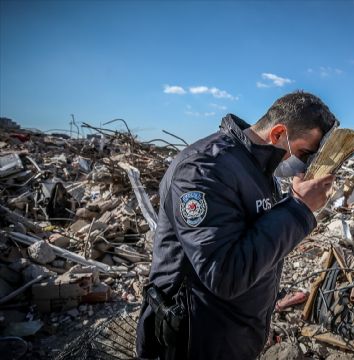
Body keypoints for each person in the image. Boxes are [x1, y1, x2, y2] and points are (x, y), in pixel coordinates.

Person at [136, 91, 338, 359]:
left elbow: (258, 245)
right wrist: (299, 209)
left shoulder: (260, 170)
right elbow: (223, 274)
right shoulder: (203, 170)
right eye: (303, 153)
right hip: (192, 340)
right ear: (278, 134)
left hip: (234, 337)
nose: (304, 165)